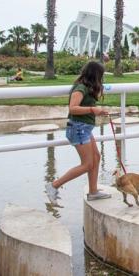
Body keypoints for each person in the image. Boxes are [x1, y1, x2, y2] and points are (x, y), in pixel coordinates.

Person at [45, 61, 112, 203]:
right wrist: (93, 110)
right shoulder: (80, 88)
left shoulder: (88, 87)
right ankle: (53, 185)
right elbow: (73, 108)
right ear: (95, 74)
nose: (102, 78)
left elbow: (87, 104)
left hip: (84, 128)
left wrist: (96, 109)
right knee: (87, 164)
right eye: (101, 75)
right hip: (78, 129)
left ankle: (93, 191)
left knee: (96, 157)